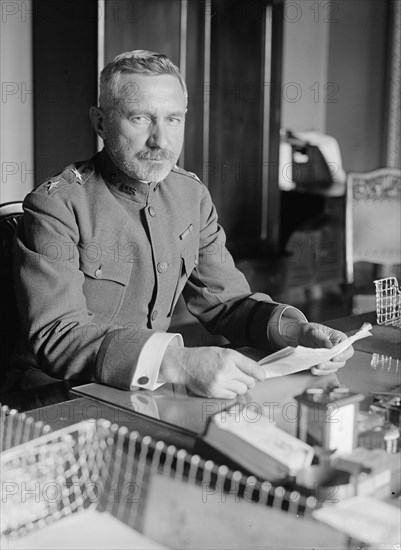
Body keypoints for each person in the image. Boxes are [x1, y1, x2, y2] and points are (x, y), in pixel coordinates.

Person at [13, 50, 353, 398]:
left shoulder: (191, 195)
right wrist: (177, 362)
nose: (160, 140)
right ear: (100, 122)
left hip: (147, 393)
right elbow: (59, 335)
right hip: (58, 396)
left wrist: (295, 332)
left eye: (173, 119)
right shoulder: (56, 205)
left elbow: (227, 303)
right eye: (140, 118)